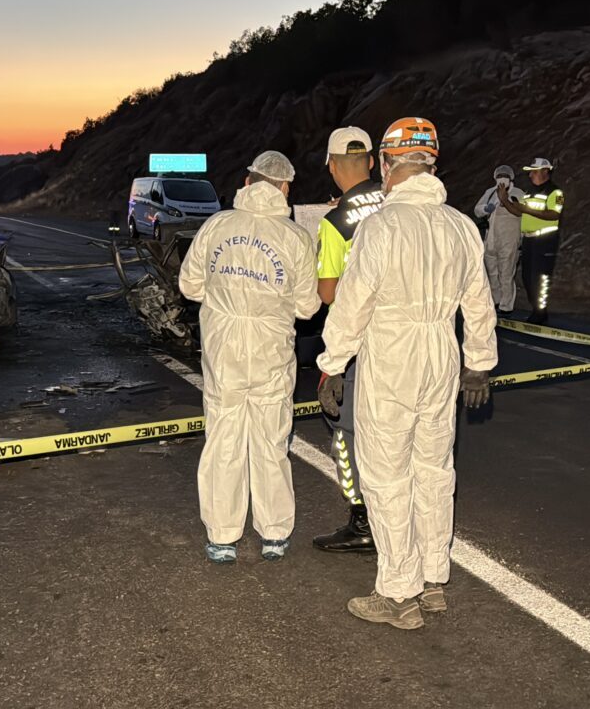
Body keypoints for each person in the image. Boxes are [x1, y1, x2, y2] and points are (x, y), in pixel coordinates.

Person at [317, 117, 498, 630]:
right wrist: (478, 364)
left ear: (392, 165)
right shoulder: (461, 225)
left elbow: (352, 303)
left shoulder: (382, 227)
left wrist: (332, 364)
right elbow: (479, 304)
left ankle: (398, 594)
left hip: (391, 356)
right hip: (440, 352)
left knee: (386, 474)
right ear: (431, 164)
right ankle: (434, 578)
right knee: (435, 470)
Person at [180, 150, 320, 564]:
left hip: (224, 347)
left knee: (223, 438)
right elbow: (308, 308)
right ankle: (274, 533)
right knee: (271, 440)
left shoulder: (217, 226)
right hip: (271, 348)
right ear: (285, 188)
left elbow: (189, 286)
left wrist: (223, 299)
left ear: (247, 182)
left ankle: (222, 537)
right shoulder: (294, 237)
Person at [311, 127, 386, 554]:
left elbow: (327, 293)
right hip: (407, 338)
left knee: (346, 432)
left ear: (331, 165)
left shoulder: (335, 221)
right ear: (373, 162)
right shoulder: (398, 203)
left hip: (357, 344)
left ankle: (361, 518)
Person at [502, 158, 563, 324]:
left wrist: (525, 209)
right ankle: (536, 310)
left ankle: (540, 313)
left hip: (545, 239)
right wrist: (505, 200)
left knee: (540, 278)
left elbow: (554, 214)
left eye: (534, 171)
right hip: (529, 240)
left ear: (545, 171)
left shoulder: (555, 192)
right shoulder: (529, 192)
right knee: (527, 277)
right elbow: (518, 211)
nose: (530, 175)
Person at [474, 165, 525, 316]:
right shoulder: (490, 193)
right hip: (491, 239)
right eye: (499, 175)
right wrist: (485, 209)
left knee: (506, 273)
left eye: (505, 175)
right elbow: (477, 210)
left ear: (511, 178)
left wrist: (521, 240)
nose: (502, 178)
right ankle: (495, 301)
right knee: (492, 273)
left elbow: (523, 214)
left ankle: (506, 306)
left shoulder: (518, 194)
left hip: (509, 240)